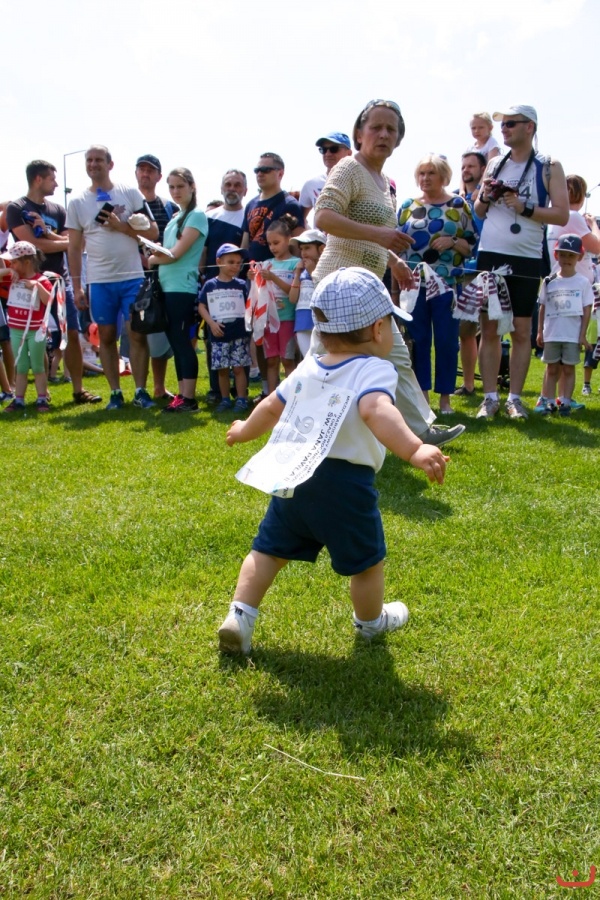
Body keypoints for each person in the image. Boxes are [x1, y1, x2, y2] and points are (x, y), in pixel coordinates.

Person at [217, 267, 448, 655]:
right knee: (367, 563)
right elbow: (376, 410)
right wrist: (414, 448)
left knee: (268, 552)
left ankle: (240, 615)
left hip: (293, 477)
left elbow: (271, 406)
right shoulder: (375, 368)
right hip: (345, 486)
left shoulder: (309, 366)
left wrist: (243, 431)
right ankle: (371, 623)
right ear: (378, 329)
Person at [313, 98, 465, 447]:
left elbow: (374, 235)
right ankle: (305, 432)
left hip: (368, 289)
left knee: (396, 356)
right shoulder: (348, 168)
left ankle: (421, 430)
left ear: (398, 139)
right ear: (359, 133)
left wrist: (394, 261)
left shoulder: (384, 182)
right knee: (322, 365)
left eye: (390, 130)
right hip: (335, 285)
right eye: (376, 127)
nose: (383, 134)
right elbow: (323, 217)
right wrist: (381, 237)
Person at [473, 105, 569, 419]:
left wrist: (524, 207)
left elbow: (561, 214)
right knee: (489, 328)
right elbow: (478, 210)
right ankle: (489, 398)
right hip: (490, 253)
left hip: (527, 256)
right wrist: (486, 196)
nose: (505, 129)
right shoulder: (495, 163)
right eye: (503, 124)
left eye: (511, 123)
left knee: (521, 329)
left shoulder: (549, 165)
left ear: (530, 127)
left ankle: (514, 399)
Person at [66, 145, 159, 410]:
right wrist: (77, 287)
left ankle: (140, 391)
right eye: (89, 160)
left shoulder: (129, 193)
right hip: (99, 281)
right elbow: (74, 247)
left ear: (110, 164)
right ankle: (115, 393)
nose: (93, 164)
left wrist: (122, 226)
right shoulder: (77, 202)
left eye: (99, 160)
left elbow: (153, 232)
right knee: (105, 336)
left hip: (132, 277)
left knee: (136, 334)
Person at [6, 159, 101, 405]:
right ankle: (35, 394)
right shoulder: (17, 208)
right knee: (30, 336)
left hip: (60, 282)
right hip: (28, 284)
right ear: (38, 179)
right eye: (52, 179)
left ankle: (78, 390)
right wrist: (65, 242)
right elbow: (33, 247)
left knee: (72, 334)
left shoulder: (58, 210)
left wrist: (50, 236)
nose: (56, 184)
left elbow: (76, 243)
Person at [398, 154, 476, 414]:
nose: (425, 178)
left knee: (446, 341)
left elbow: (471, 245)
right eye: (421, 173)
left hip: (447, 285)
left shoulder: (458, 205)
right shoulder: (407, 206)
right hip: (414, 284)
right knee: (418, 340)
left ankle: (445, 399)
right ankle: (422, 399)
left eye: (431, 173)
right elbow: (397, 245)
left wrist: (452, 242)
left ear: (444, 176)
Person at [241, 154, 305, 401]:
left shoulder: (289, 203)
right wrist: (247, 270)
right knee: (263, 345)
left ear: (280, 172)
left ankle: (292, 396)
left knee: (288, 355)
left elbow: (298, 241)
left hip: (287, 296)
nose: (260, 173)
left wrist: (297, 271)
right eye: (257, 169)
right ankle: (268, 393)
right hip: (259, 282)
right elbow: (246, 241)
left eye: (266, 169)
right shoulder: (250, 204)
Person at [147, 167, 208, 412]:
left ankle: (189, 399)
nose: (175, 191)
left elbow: (176, 254)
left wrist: (152, 258)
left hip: (182, 287)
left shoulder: (197, 215)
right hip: (167, 286)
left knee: (182, 341)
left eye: (180, 186)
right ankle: (182, 396)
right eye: (171, 187)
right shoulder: (176, 216)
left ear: (192, 187)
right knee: (176, 340)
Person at [546, 174, 600, 402]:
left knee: (558, 347)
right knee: (568, 346)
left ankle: (556, 396)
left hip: (559, 285)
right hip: (576, 289)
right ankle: (557, 396)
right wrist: (593, 224)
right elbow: (597, 247)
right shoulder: (574, 216)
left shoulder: (553, 218)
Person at [200, 169, 248, 401]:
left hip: (239, 288)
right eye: (228, 184)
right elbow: (204, 250)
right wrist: (201, 274)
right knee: (214, 341)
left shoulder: (248, 215)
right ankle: (216, 391)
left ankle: (240, 394)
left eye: (237, 185)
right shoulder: (209, 216)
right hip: (214, 289)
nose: (232, 189)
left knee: (240, 344)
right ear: (221, 188)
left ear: (245, 190)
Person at [134, 154, 179, 401]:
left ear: (159, 176)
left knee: (159, 328)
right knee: (138, 333)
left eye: (150, 170)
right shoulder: (129, 204)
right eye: (141, 169)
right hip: (134, 276)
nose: (145, 174)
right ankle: (138, 389)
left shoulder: (169, 207)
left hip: (163, 276)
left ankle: (159, 387)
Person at [533, 234, 593, 416]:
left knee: (568, 368)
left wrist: (582, 335)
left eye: (571, 255)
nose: (566, 259)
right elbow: (542, 307)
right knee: (551, 368)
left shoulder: (583, 282)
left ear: (579, 257)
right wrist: (540, 331)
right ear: (556, 255)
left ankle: (565, 401)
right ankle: (549, 401)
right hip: (552, 333)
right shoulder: (549, 281)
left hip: (572, 334)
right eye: (563, 254)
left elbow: (587, 310)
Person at [0, 242, 53, 412]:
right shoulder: (12, 277)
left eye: (14, 262)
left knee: (37, 366)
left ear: (27, 262)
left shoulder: (41, 280)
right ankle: (19, 400)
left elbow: (49, 300)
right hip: (16, 330)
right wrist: (8, 271)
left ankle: (42, 398)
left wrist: (37, 286)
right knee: (21, 366)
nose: (11, 265)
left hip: (35, 330)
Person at [198, 243, 250, 413]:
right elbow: (201, 306)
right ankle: (225, 399)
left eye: (238, 263)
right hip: (219, 334)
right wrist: (211, 324)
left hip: (239, 334)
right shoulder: (210, 285)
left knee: (239, 368)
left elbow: (250, 304)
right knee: (222, 370)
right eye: (231, 262)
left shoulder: (241, 284)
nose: (235, 266)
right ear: (219, 262)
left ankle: (241, 399)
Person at [454, 152, 487, 396]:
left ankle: (486, 388)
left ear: (483, 169)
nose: (466, 170)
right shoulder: (455, 199)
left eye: (471, 166)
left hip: (485, 269)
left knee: (487, 330)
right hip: (462, 271)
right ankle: (467, 384)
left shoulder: (488, 198)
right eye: (463, 166)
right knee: (464, 330)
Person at [260, 214, 300, 392]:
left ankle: (292, 396)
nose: (272, 247)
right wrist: (254, 277)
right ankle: (271, 397)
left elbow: (292, 292)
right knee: (271, 360)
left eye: (276, 243)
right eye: (269, 244)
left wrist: (273, 278)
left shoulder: (296, 263)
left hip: (288, 318)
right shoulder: (267, 263)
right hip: (269, 320)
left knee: (287, 360)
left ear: (288, 239)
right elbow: (259, 291)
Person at [289, 228, 326, 356]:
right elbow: (293, 299)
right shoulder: (301, 273)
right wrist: (297, 274)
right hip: (302, 322)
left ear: (321, 249)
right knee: (307, 359)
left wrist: (312, 272)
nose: (303, 253)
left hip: (320, 323)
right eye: (301, 249)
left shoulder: (326, 270)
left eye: (307, 248)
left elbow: (324, 293)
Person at [299, 132, 352, 220]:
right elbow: (299, 220)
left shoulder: (360, 183)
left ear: (349, 153)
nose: (327, 154)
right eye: (323, 150)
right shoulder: (311, 184)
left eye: (334, 149)